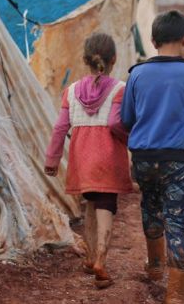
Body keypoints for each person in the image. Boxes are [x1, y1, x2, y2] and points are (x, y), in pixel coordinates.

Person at [122, 10, 184, 304]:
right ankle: (175, 295)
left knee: (150, 205)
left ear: (152, 40)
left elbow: (127, 118)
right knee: (177, 221)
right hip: (178, 160)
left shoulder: (137, 73)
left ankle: (155, 265)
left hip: (144, 157)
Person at [44, 33, 133, 289]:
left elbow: (60, 127)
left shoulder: (70, 91)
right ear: (113, 59)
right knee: (106, 203)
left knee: (91, 202)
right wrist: (129, 139)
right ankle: (101, 259)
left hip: (81, 157)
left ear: (85, 60)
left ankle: (91, 256)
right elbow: (116, 122)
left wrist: (52, 158)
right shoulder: (119, 89)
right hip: (107, 156)